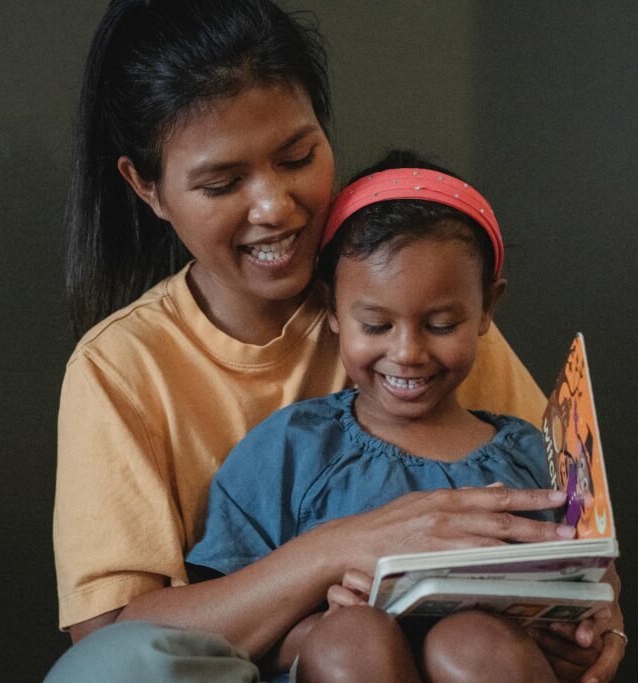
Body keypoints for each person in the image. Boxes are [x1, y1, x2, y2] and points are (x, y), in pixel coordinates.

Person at [48, 1, 625, 681]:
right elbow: (110, 642)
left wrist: (593, 614)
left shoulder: (418, 294)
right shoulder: (120, 367)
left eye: (297, 157)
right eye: (223, 182)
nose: (275, 206)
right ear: (147, 186)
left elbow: (561, 522)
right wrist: (340, 548)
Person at [187, 150, 594, 682]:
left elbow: (588, 587)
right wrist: (318, 629)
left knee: (470, 643)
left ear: (487, 309)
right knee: (353, 638)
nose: (407, 353)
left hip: (489, 661)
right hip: (345, 662)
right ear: (333, 309)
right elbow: (223, 632)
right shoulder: (293, 448)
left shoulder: (532, 456)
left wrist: (586, 625)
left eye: (442, 324)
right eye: (377, 326)